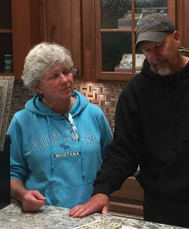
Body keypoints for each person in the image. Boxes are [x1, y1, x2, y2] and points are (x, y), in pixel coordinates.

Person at [69, 13, 189, 229]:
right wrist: (102, 190)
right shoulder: (136, 92)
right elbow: (123, 151)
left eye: (159, 46)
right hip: (159, 207)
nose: (154, 56)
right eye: (147, 51)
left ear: (176, 38)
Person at [8, 42, 113, 214]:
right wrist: (22, 194)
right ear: (37, 87)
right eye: (54, 76)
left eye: (66, 72)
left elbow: (110, 162)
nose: (65, 80)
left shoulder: (94, 114)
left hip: (89, 214)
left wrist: (102, 194)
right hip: (42, 216)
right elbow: (12, 172)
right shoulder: (22, 121)